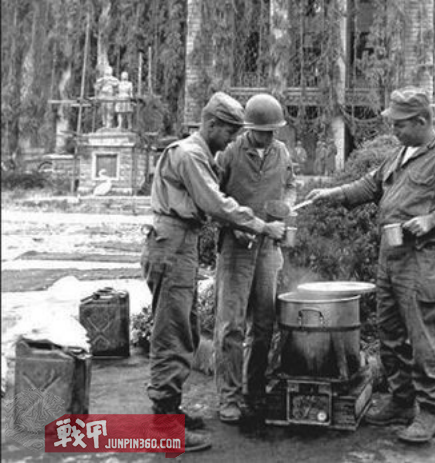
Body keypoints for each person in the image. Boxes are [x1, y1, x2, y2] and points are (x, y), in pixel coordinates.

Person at [306, 87, 435, 444]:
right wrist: (332, 194)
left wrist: (432, 219)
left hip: (424, 263)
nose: (394, 129)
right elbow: (370, 186)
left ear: (422, 121)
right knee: (390, 334)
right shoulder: (400, 153)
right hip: (391, 260)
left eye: (400, 124)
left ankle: (430, 413)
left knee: (425, 339)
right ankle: (402, 401)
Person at [141, 92, 286, 452]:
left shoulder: (199, 153)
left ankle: (171, 412)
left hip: (180, 242)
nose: (233, 139)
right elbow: (215, 202)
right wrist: (260, 225)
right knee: (171, 334)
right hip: (172, 243)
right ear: (212, 124)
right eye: (230, 131)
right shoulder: (191, 154)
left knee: (185, 329)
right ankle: (165, 427)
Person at [214, 93, 297, 424]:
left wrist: (286, 206)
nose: (269, 137)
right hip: (236, 248)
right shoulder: (230, 152)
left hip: (267, 248)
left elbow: (290, 185)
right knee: (231, 326)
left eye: (274, 131)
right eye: (263, 132)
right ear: (249, 128)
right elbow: (213, 197)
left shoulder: (281, 152)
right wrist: (233, 226)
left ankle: (255, 390)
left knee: (263, 324)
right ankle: (229, 397)